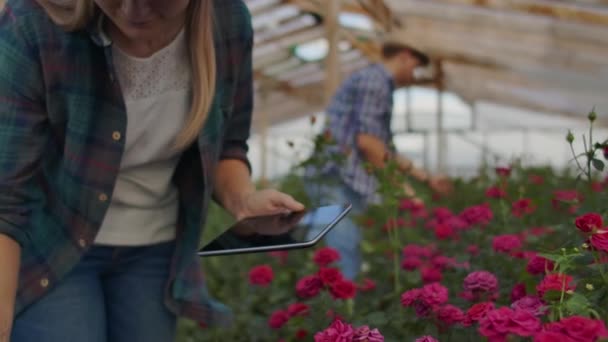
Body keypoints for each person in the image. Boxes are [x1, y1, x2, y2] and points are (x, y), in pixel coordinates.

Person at [0, 0, 304, 341]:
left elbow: (228, 145)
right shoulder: (34, 22)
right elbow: (6, 196)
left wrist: (244, 200)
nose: (134, 10)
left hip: (155, 250)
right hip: (53, 244)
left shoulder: (227, 21)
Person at [304, 35, 452, 280]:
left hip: (337, 177)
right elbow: (369, 144)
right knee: (344, 253)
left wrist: (425, 178)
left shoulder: (375, 81)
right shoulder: (376, 82)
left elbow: (384, 149)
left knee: (336, 250)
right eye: (415, 67)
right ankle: (341, 314)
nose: (414, 75)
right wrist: (407, 193)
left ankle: (335, 309)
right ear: (404, 56)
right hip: (335, 177)